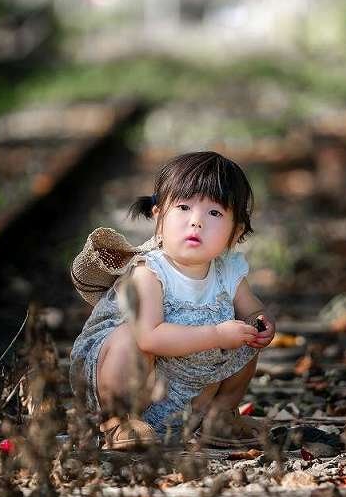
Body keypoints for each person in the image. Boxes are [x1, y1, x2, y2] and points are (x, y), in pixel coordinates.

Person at [69, 150, 277, 450]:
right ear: (158, 216)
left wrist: (260, 323)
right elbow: (150, 337)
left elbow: (253, 308)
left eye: (214, 213)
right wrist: (218, 334)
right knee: (130, 336)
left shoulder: (228, 270)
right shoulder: (150, 271)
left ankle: (217, 417)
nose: (196, 223)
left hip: (188, 384)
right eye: (183, 207)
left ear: (236, 232)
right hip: (130, 379)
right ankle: (117, 421)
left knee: (246, 334)